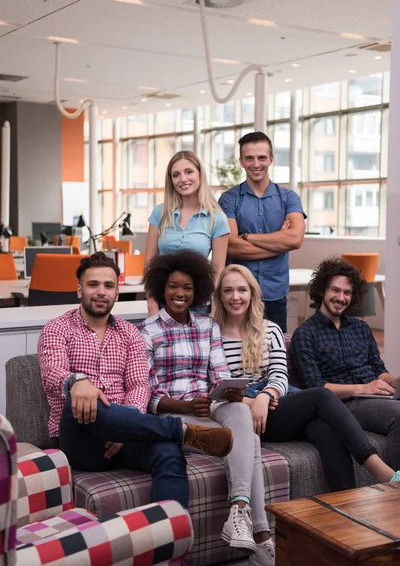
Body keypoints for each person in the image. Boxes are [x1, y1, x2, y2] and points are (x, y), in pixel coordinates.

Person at [38, 251, 233, 511]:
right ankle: (180, 431)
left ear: (117, 293)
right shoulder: (58, 328)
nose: (101, 292)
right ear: (79, 290)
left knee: (169, 453)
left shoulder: (130, 333)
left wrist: (125, 425)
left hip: (124, 438)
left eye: (108, 286)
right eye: (93, 284)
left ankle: (169, 542)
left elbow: (140, 385)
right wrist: (77, 381)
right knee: (86, 399)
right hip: (79, 437)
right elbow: (51, 373)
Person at [213, 263, 400, 496]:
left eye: (242, 290)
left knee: (326, 429)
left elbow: (280, 375)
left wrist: (265, 395)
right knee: (321, 395)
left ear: (252, 294)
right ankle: (381, 470)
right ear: (219, 296)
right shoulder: (210, 334)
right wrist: (251, 403)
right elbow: (214, 386)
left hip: (275, 402)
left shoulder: (270, 331)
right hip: (244, 412)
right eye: (228, 290)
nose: (235, 297)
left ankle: (346, 504)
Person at [140, 250, 275, 566]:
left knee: (241, 412)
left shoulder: (207, 326)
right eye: (174, 286)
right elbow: (147, 395)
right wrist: (186, 404)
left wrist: (226, 391)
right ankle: (260, 534)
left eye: (187, 288)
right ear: (162, 288)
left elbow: (218, 372)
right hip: (174, 414)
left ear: (196, 291)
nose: (180, 294)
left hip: (209, 407)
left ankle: (239, 510)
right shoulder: (148, 331)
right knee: (250, 440)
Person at [290, 257, 400, 470]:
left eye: (347, 293)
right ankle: (395, 492)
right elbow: (316, 388)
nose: (341, 298)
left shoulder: (361, 328)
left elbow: (378, 370)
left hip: (375, 395)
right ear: (322, 290)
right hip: (344, 404)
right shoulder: (305, 334)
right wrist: (364, 388)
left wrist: (394, 380)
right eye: (335, 290)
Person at [218, 131, 306, 332]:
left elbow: (295, 239)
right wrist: (278, 243)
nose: (255, 164)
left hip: (274, 293)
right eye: (249, 158)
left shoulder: (289, 198)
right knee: (236, 355)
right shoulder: (229, 199)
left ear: (271, 159)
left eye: (261, 158)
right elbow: (230, 245)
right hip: (236, 296)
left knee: (273, 354)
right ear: (241, 161)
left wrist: (248, 237)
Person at [145, 150, 229, 315]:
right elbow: (149, 264)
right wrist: (151, 304)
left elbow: (218, 270)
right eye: (176, 175)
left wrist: (214, 309)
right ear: (171, 180)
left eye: (189, 172)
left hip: (199, 305)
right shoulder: (159, 214)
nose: (183, 179)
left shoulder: (216, 218)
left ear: (200, 174)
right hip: (163, 302)